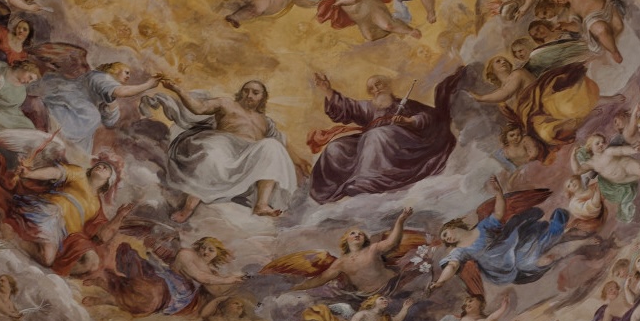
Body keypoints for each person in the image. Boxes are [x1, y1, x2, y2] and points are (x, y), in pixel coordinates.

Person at [151, 78, 298, 219]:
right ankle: (188, 208)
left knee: (272, 146)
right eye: (246, 91)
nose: (249, 95)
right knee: (211, 153)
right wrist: (178, 89)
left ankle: (261, 205)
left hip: (249, 153)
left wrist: (299, 161)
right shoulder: (226, 103)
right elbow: (199, 108)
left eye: (255, 92)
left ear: (263, 97)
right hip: (224, 144)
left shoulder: (265, 121)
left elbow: (281, 142)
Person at [307, 69, 461, 202]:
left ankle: (369, 180)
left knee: (377, 135)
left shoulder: (407, 105)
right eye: (371, 88)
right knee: (336, 147)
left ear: (387, 85)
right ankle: (330, 187)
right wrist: (327, 90)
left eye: (378, 84)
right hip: (369, 144)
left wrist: (409, 120)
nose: (376, 89)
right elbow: (347, 107)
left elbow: (430, 117)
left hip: (405, 146)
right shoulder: (368, 107)